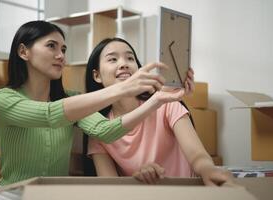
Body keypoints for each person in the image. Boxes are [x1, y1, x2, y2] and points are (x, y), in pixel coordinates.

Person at [0, 20, 189, 199]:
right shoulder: (1, 100)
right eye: (51, 46)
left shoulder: (72, 99)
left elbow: (106, 131)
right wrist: (122, 88)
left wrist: (156, 101)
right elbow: (49, 115)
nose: (61, 56)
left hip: (55, 195)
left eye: (64, 50)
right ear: (23, 52)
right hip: (11, 195)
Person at [85, 37, 234, 186]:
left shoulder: (166, 103)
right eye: (113, 59)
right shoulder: (99, 129)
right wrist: (137, 179)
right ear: (97, 75)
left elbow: (198, 156)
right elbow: (112, 187)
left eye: (130, 58)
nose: (124, 64)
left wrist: (208, 169)